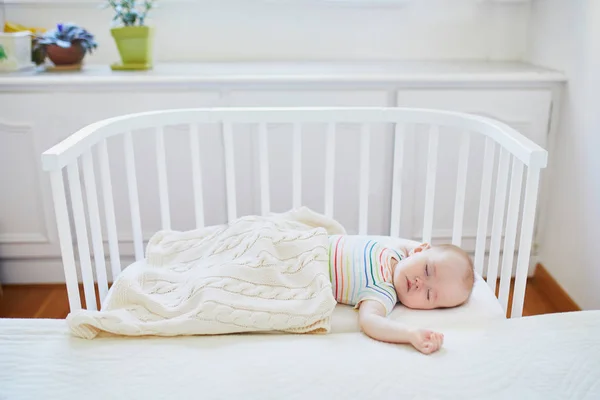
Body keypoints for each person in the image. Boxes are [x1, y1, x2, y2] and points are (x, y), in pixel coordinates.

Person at [328, 235, 474, 355]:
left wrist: (410, 334)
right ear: (418, 251)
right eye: (427, 270)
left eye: (429, 294)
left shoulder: (383, 292)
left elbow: (369, 321)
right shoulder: (396, 251)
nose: (419, 283)